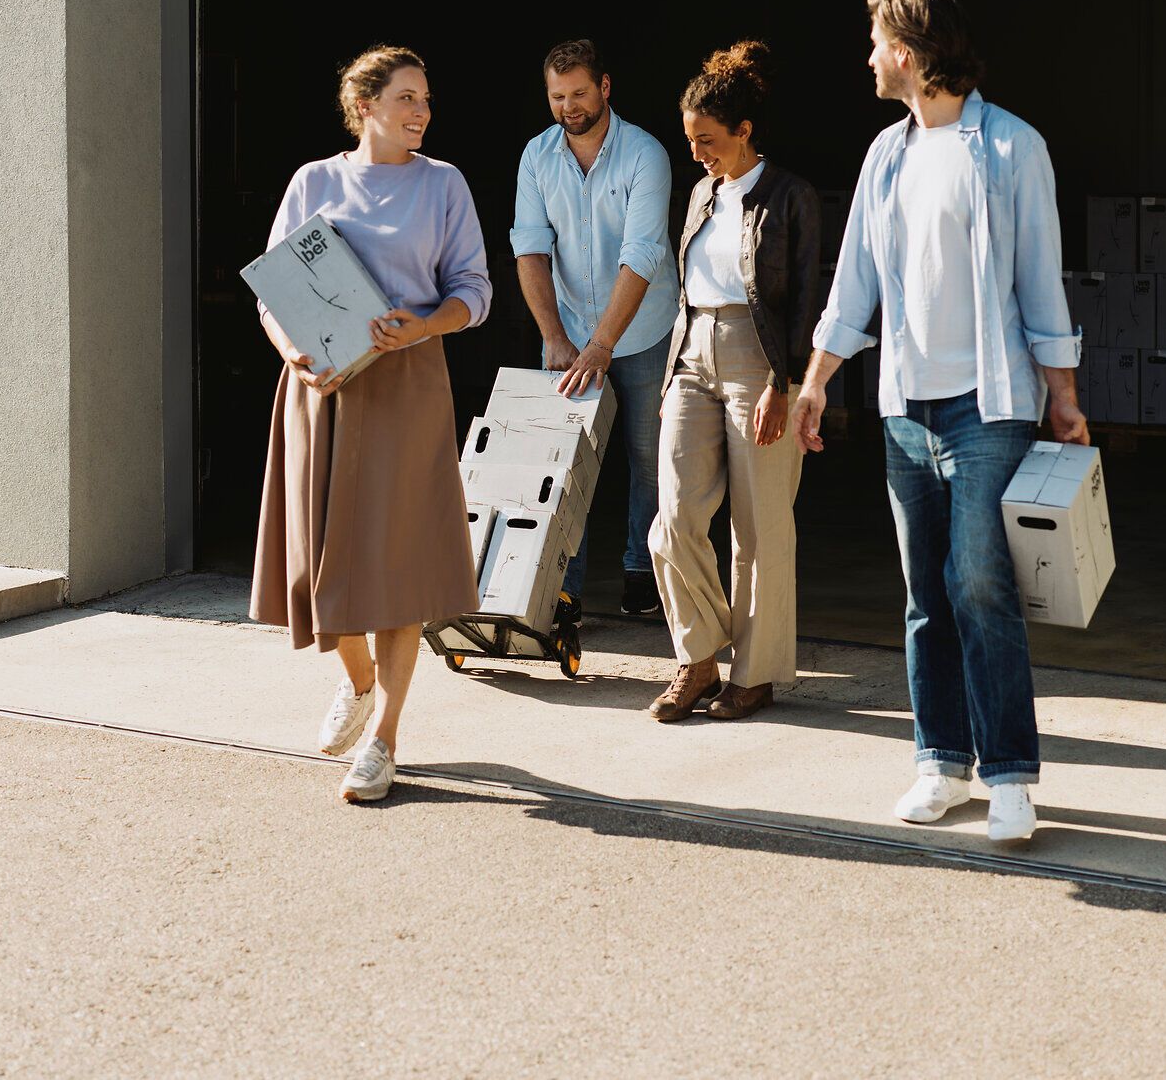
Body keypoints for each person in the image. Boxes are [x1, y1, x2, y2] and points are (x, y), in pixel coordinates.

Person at [790, 0, 1087, 842]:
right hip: (905, 411)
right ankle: (940, 761)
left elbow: (1042, 277)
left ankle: (1009, 773)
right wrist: (815, 380)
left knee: (982, 583)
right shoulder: (886, 154)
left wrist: (1062, 396)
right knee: (926, 593)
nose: (868, 57)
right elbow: (854, 284)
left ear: (911, 53)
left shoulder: (1010, 148)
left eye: (876, 42)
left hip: (987, 406)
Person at [250, 45, 493, 804]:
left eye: (426, 99)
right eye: (408, 98)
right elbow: (274, 289)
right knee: (315, 565)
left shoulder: (444, 185)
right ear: (366, 107)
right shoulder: (314, 182)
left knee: (397, 569)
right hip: (319, 389)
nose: (422, 112)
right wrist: (293, 352)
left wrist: (420, 329)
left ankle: (384, 738)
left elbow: (474, 291)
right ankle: (357, 679)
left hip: (408, 388)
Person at [647, 41, 822, 722]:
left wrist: (789, 381)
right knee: (674, 519)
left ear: (744, 131)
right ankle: (697, 658)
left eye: (708, 140)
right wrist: (670, 376)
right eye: (690, 139)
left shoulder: (791, 195)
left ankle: (754, 672)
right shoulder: (700, 192)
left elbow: (808, 297)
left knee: (761, 526)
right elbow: (689, 290)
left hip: (762, 359)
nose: (697, 153)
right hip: (692, 353)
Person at [511, 39, 679, 619]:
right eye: (557, 96)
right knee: (560, 461)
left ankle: (641, 569)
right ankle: (564, 584)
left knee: (650, 459)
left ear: (604, 88)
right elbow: (529, 249)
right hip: (568, 331)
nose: (568, 106)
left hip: (643, 331)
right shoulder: (536, 155)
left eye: (579, 92)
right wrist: (556, 337)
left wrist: (603, 343)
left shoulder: (645, 154)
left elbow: (642, 255)